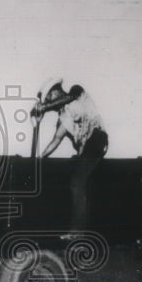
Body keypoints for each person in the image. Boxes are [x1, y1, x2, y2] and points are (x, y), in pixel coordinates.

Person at [32, 79, 108, 232]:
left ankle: (77, 231)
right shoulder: (63, 116)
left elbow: (69, 97)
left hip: (97, 138)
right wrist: (40, 157)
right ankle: (76, 227)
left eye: (48, 98)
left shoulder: (76, 91)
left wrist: (44, 107)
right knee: (74, 182)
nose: (49, 102)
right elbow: (56, 139)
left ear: (55, 92)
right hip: (85, 148)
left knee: (76, 182)